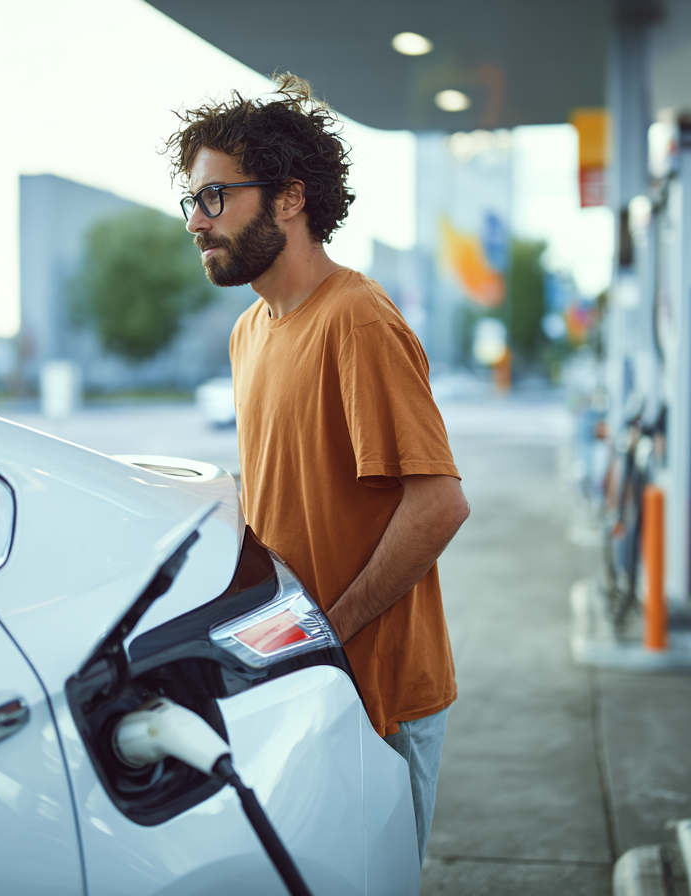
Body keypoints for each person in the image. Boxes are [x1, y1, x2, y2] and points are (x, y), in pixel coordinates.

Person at [165, 75, 470, 863]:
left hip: (376, 692)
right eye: (192, 200)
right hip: (302, 680)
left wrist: (329, 630)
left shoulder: (356, 318)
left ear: (290, 198)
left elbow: (438, 504)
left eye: (216, 196)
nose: (196, 221)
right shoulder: (249, 332)